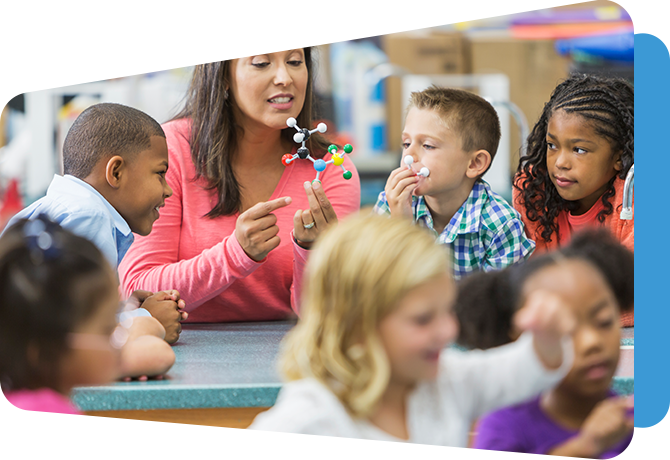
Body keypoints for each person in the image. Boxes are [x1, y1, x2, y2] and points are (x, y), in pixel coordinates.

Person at [194, 214, 575, 460]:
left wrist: (547, 335)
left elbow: (526, 370)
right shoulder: (316, 415)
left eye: (448, 311)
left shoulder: (448, 381)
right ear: (359, 325)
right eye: (423, 319)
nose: (448, 331)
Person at [118, 0, 360, 322]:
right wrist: (236, 254)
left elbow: (326, 313)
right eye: (261, 63)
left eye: (295, 61)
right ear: (224, 77)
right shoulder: (170, 151)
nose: (284, 77)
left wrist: (311, 251)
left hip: (288, 355)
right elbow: (137, 290)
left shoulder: (330, 168)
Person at [6, 103, 186, 343]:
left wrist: (124, 309)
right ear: (116, 173)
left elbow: (58, 306)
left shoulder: (59, 208)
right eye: (160, 174)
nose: (168, 191)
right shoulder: (90, 215)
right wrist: (147, 319)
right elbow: (75, 333)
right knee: (154, 355)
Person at [0, 217, 175, 459]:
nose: (119, 337)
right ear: (43, 352)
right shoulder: (36, 423)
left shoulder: (24, 405)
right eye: (106, 330)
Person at [452, 230, 634, 460]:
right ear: (519, 340)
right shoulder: (504, 424)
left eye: (604, 322)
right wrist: (581, 450)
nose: (592, 342)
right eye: (564, 330)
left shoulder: (634, 420)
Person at [374, 86, 533, 280]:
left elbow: (498, 304)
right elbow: (378, 289)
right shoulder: (391, 203)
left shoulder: (501, 225)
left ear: (475, 163)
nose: (408, 156)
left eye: (428, 146)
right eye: (406, 143)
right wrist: (400, 227)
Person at [513, 74, 634, 254]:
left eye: (579, 150)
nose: (560, 163)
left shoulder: (631, 199)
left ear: (619, 156)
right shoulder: (533, 192)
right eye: (552, 145)